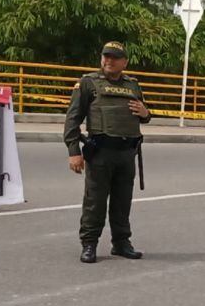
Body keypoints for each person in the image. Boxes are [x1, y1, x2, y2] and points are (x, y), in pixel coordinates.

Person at [63, 41, 150, 264]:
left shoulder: (133, 85)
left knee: (122, 202)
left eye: (114, 57)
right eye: (106, 56)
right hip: (100, 152)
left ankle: (121, 243)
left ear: (124, 62)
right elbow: (73, 119)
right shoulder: (88, 83)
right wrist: (74, 151)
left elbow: (144, 115)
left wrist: (145, 113)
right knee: (95, 202)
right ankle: (89, 244)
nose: (109, 61)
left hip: (126, 153)